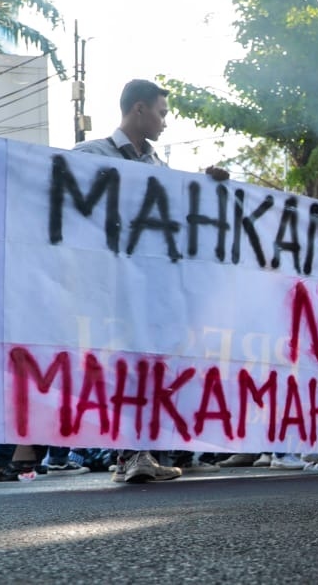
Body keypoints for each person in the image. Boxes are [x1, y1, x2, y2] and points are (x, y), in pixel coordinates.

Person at [72, 79, 228, 483]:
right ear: (138, 109)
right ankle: (134, 453)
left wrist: (206, 188)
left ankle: (136, 454)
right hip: (108, 284)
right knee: (123, 363)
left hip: (149, 287)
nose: (165, 122)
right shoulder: (89, 156)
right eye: (161, 112)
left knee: (146, 364)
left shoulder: (160, 169)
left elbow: (178, 216)